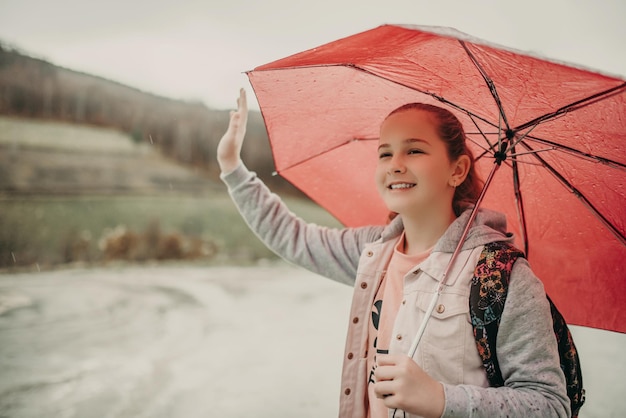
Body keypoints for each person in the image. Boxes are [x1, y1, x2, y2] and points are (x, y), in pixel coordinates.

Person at [217, 89, 570, 418]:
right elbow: (292, 236)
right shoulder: (373, 254)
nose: (395, 164)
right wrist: (233, 169)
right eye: (385, 152)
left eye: (414, 150)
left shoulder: (501, 275)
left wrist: (442, 398)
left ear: (457, 170)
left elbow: (549, 404)